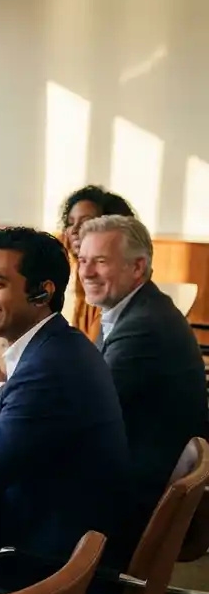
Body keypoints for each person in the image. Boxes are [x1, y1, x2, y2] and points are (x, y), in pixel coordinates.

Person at [0, 228, 128, 594]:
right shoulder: (59, 345)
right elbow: (7, 421)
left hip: (43, 564)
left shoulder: (48, 368)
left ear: (42, 292)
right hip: (60, 535)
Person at [78, 215, 207, 552]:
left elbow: (84, 407)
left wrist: (1, 391)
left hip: (131, 503)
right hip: (137, 475)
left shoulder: (145, 326)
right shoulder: (135, 309)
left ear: (137, 268)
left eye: (100, 261)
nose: (86, 272)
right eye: (82, 260)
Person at [58, 185, 136, 342]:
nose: (74, 230)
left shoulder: (116, 289)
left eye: (86, 222)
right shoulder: (81, 281)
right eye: (70, 223)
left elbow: (94, 353)